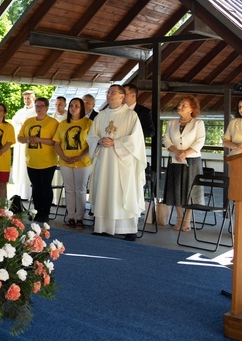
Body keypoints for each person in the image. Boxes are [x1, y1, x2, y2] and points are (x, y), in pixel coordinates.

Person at [87, 84, 146, 241]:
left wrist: (116, 142)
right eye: (108, 92)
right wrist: (99, 140)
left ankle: (128, 229)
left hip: (123, 164)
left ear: (122, 96)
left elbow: (136, 140)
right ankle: (103, 227)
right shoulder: (100, 116)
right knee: (105, 191)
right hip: (104, 162)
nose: (109, 94)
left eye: (113, 92)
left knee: (122, 192)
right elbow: (90, 137)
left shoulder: (131, 116)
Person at [163, 96, 205, 232]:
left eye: (184, 106)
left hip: (192, 160)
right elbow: (167, 140)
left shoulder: (198, 123)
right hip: (175, 159)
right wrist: (177, 152)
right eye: (180, 105)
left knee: (190, 190)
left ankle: (187, 219)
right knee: (176, 189)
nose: (180, 107)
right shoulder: (171, 123)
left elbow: (199, 141)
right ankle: (179, 218)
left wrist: (185, 153)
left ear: (192, 109)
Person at [18, 97, 59, 224]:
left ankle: (45, 213)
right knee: (35, 188)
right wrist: (29, 139)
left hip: (47, 161)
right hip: (32, 161)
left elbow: (55, 141)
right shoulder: (28, 121)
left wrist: (39, 140)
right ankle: (37, 211)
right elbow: (20, 138)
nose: (39, 108)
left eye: (41, 106)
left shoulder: (53, 122)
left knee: (45, 187)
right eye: (37, 106)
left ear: (47, 108)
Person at [53, 98, 92, 229]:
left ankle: (80, 218)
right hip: (65, 161)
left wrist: (80, 156)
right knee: (69, 189)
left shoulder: (88, 123)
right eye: (71, 106)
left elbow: (92, 144)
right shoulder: (63, 124)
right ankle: (70, 217)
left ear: (81, 108)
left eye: (76, 106)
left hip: (83, 162)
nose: (73, 108)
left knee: (80, 189)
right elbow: (57, 143)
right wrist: (63, 156)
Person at [10, 90, 36, 200]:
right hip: (21, 145)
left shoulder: (37, 112)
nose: (27, 100)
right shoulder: (19, 112)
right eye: (25, 98)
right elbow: (14, 124)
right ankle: (20, 193)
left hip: (32, 144)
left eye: (29, 98)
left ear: (33, 98)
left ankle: (32, 194)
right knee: (20, 168)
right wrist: (20, 126)